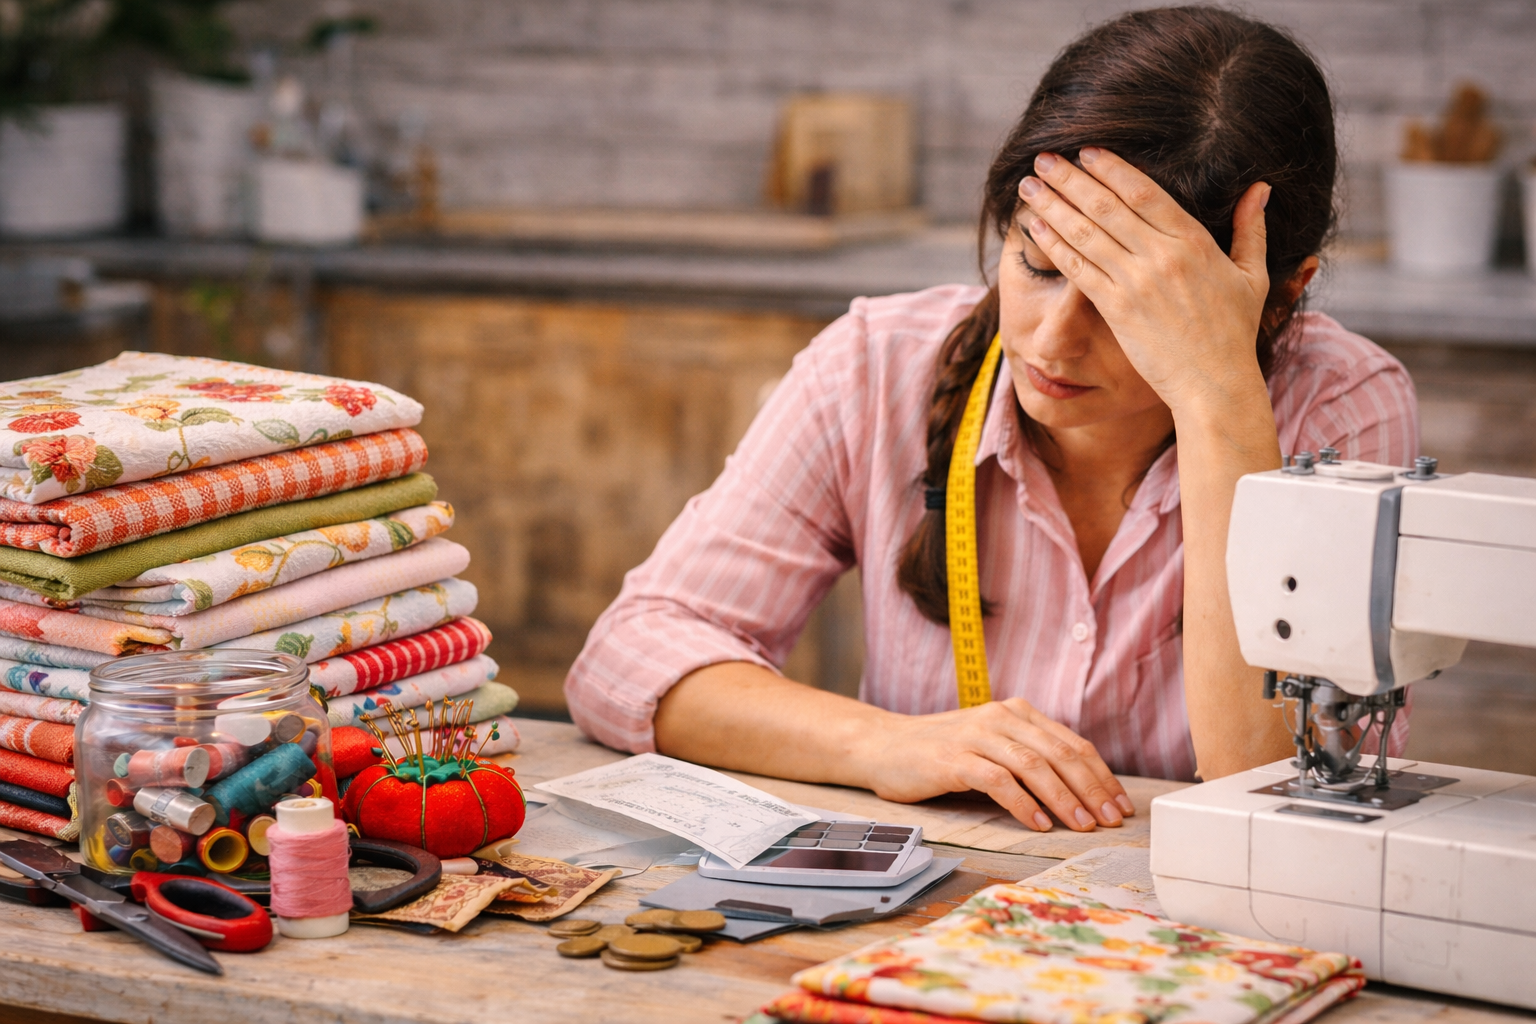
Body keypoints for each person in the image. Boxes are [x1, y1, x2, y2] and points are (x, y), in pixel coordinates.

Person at [565, 7, 1417, 835]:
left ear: (1282, 295)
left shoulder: (1343, 411)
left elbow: (1284, 795)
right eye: (1038, 265)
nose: (1050, 340)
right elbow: (628, 660)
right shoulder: (875, 365)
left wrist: (1219, 401)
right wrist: (882, 743)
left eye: (1131, 306)